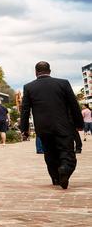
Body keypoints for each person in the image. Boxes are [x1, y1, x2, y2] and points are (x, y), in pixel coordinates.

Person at [20, 61, 84, 189]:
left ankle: (56, 177)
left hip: (43, 127)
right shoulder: (63, 83)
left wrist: (24, 129)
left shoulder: (29, 87)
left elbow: (25, 110)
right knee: (67, 152)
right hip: (63, 126)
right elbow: (74, 105)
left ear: (35, 72)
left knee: (50, 153)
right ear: (50, 71)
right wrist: (78, 123)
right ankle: (65, 168)